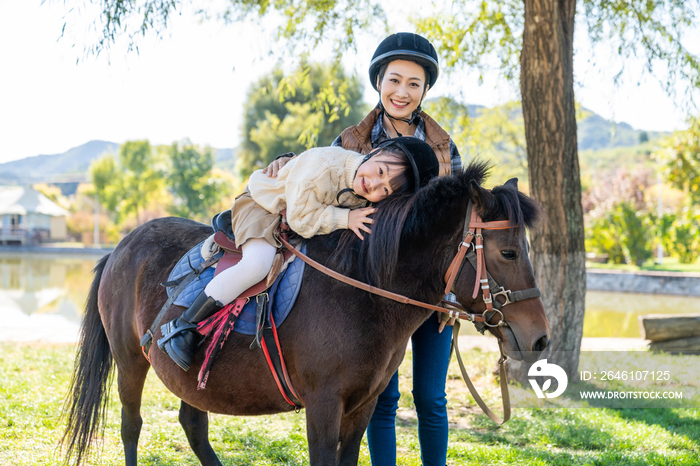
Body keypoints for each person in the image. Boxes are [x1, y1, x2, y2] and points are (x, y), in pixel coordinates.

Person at [264, 32, 460, 466]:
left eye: (414, 83)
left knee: (432, 398)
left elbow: (453, 223)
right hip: (370, 298)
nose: (402, 92)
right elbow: (321, 183)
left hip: (430, 289)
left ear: (426, 89)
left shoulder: (445, 148)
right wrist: (288, 161)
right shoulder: (350, 141)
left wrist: (449, 291)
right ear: (378, 81)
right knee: (379, 398)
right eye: (394, 80)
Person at [157, 137, 440, 373]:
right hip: (263, 205)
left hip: (295, 213)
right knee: (257, 264)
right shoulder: (322, 167)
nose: (374, 185)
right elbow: (301, 218)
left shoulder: (362, 186)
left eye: (385, 190)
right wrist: (346, 219)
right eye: (379, 172)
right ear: (375, 153)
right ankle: (183, 326)